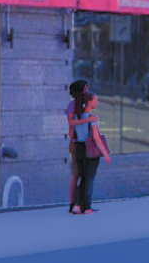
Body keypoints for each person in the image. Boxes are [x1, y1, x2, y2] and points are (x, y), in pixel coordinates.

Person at [69, 89, 111, 213]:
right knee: (89, 179)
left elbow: (72, 134)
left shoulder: (77, 117)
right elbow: (97, 139)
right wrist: (105, 154)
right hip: (90, 151)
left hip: (79, 149)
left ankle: (77, 206)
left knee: (82, 178)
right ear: (89, 102)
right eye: (95, 100)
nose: (97, 102)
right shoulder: (92, 119)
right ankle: (87, 208)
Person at [65, 78, 89, 213]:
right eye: (85, 89)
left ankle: (82, 203)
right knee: (76, 174)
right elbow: (71, 123)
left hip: (86, 143)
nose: (87, 91)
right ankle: (73, 203)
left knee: (86, 174)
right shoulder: (73, 105)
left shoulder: (86, 105)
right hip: (76, 144)